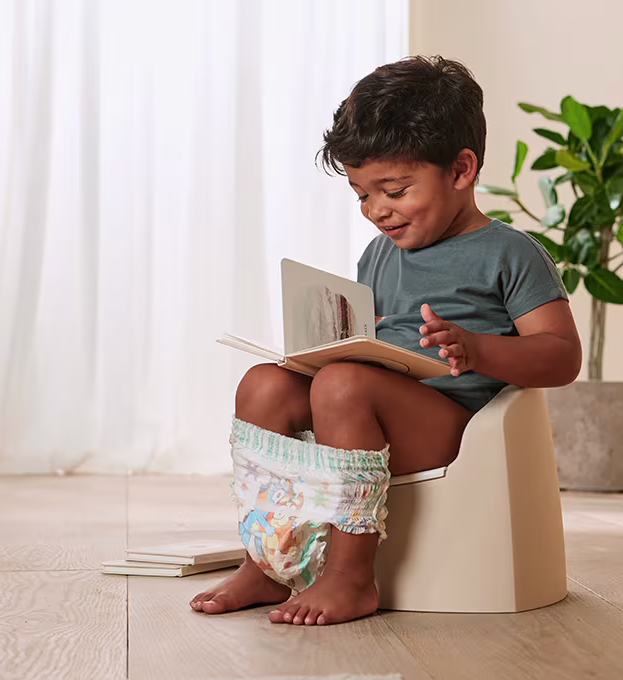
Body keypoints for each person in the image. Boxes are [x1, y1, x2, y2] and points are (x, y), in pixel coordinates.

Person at [189, 55, 582, 626]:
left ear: (461, 169)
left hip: (454, 426)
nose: (376, 211)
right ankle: (266, 562)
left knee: (343, 386)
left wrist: (477, 349)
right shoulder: (379, 254)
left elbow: (562, 356)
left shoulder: (510, 253)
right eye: (361, 195)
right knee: (264, 385)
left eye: (394, 190)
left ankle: (351, 576)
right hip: (365, 411)